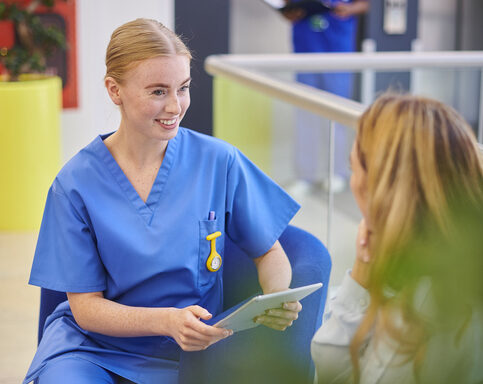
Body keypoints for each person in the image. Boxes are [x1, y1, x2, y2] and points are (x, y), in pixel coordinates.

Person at [24, 18, 303, 384]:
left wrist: (277, 299)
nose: (175, 106)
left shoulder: (219, 161)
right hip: (92, 350)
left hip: (194, 355)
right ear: (115, 90)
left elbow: (269, 251)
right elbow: (86, 309)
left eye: (183, 88)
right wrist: (166, 321)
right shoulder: (75, 184)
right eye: (158, 91)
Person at [311, 93, 483, 383]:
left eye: (355, 170)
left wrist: (362, 276)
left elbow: (333, 374)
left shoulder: (423, 310)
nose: (353, 183)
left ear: (383, 188)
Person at [282, 0, 369, 195]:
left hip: (336, 47)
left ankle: (337, 172)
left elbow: (365, 4)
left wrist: (350, 9)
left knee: (337, 114)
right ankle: (304, 176)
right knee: (304, 115)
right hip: (305, 47)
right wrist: (289, 11)